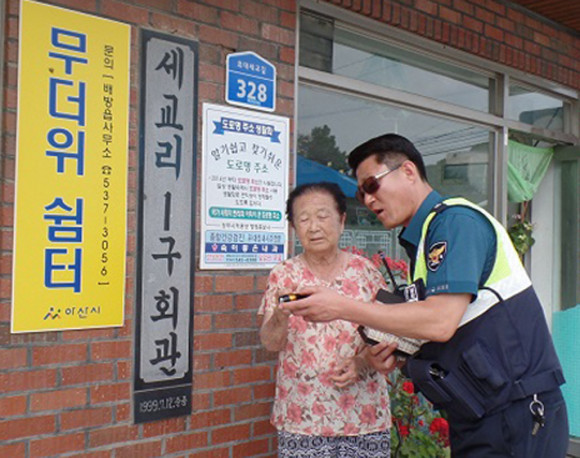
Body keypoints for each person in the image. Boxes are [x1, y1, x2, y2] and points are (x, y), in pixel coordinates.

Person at [281, 134, 569, 457]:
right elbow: (446, 329)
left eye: (372, 185)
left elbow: (440, 321)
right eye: (361, 193)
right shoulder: (423, 242)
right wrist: (397, 352)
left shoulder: (456, 222)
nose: (368, 200)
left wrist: (341, 307)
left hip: (516, 415)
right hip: (479, 414)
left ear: (408, 171)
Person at [258, 182, 392, 458]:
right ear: (294, 228)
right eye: (304, 219)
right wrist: (280, 315)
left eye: (322, 216)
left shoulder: (366, 272)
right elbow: (270, 343)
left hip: (364, 416)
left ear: (341, 220)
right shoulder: (283, 275)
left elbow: (390, 333)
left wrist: (362, 362)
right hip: (302, 418)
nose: (314, 227)